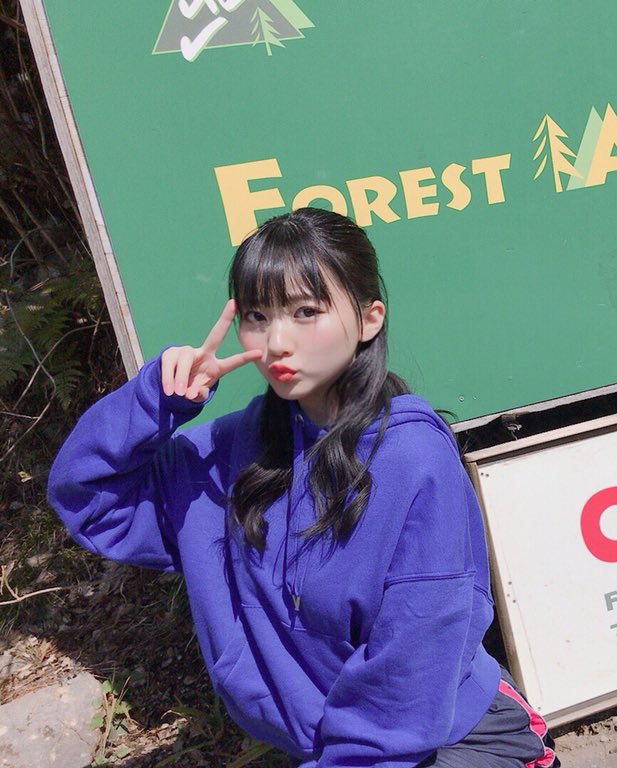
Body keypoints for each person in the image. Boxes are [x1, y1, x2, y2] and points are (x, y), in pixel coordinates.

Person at [48, 208, 559, 768]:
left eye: (306, 312)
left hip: (443, 742)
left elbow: (407, 680)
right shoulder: (233, 449)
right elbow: (90, 500)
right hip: (333, 748)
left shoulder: (414, 461)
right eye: (257, 315)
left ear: (369, 319)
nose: (276, 341)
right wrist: (155, 403)